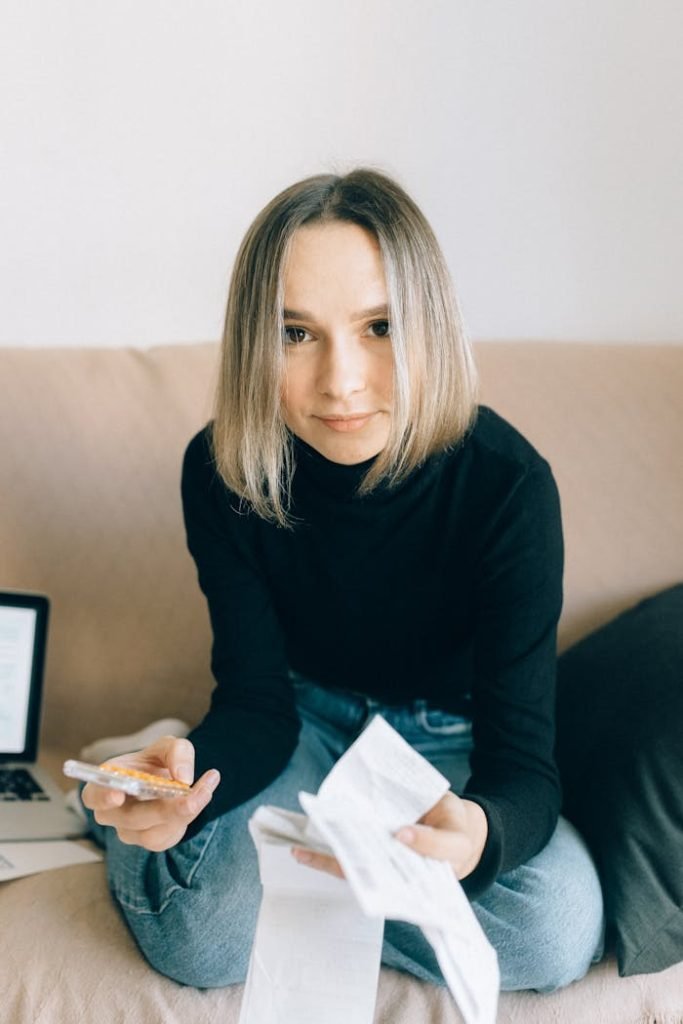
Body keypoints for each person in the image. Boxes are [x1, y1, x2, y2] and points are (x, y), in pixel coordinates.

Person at [81, 168, 604, 993]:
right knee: (207, 940)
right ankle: (124, 793)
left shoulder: (507, 486)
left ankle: (324, 891)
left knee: (553, 933)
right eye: (296, 334)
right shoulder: (223, 471)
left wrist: (476, 834)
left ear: (427, 324)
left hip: (450, 750)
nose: (341, 381)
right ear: (257, 341)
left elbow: (522, 768)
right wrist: (193, 775)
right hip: (302, 726)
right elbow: (256, 705)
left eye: (378, 326)